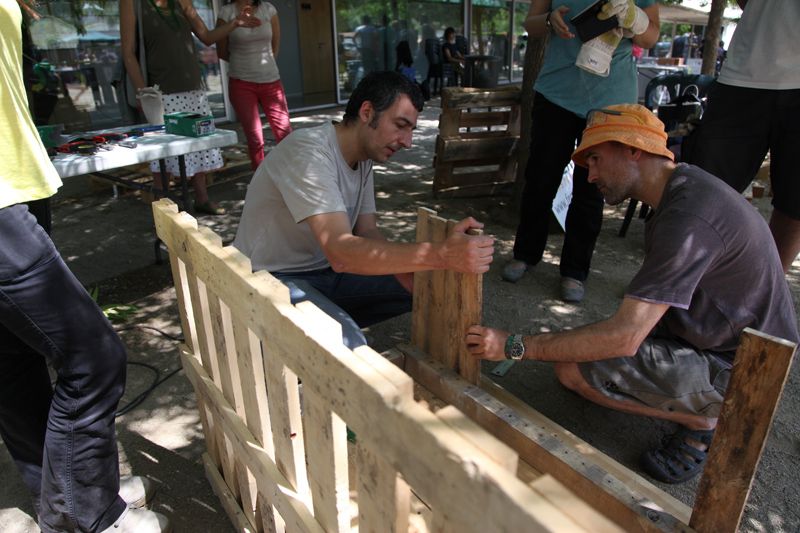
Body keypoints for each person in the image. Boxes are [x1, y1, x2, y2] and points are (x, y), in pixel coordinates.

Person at [466, 104, 799, 484]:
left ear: (633, 150)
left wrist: (515, 345)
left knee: (571, 369)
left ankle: (710, 417)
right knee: (591, 341)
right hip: (721, 338)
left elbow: (625, 338)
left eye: (594, 159)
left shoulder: (688, 218)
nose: (589, 176)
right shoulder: (682, 190)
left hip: (744, 370)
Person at [1, 1, 170, 531]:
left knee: (14, 362)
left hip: (19, 181)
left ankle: (66, 499)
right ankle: (89, 513)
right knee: (93, 357)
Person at [233, 71, 495, 349]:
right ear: (367, 112)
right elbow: (343, 253)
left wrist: (415, 276)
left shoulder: (363, 157)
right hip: (269, 278)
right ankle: (283, 341)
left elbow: (367, 231)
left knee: (427, 288)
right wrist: (441, 254)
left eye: (411, 130)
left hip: (324, 271)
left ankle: (317, 326)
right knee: (351, 347)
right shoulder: (309, 153)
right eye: (400, 125)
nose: (407, 142)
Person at [501, 0, 659, 303]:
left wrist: (632, 17)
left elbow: (651, 37)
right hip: (557, 92)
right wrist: (549, 20)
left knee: (591, 189)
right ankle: (525, 254)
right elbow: (530, 23)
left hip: (610, 100)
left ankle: (574, 271)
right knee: (540, 178)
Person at [683, 0, 800, 273]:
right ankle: (677, 286)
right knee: (702, 193)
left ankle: (762, 292)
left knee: (795, 202)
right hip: (745, 73)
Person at [120, 0, 259, 215]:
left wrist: (235, 23)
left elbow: (206, 36)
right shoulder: (132, 3)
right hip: (160, 91)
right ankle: (164, 211)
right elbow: (128, 52)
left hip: (193, 87)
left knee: (199, 145)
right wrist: (143, 92)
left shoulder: (182, 1)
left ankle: (202, 199)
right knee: (163, 153)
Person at [217, 0, 292, 170]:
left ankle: (291, 174)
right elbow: (221, 50)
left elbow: (275, 44)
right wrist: (244, 63)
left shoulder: (268, 9)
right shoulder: (226, 13)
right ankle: (260, 180)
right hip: (241, 83)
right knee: (255, 138)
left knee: (285, 132)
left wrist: (263, 65)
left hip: (271, 81)